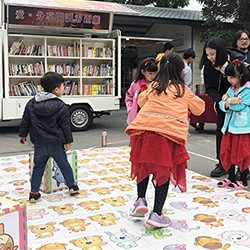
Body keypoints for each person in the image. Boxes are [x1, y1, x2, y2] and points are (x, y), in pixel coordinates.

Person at [125, 53, 205, 228]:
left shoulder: (154, 86)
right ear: (182, 71)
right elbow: (200, 108)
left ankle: (140, 200)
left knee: (143, 166)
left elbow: (141, 100)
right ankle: (157, 214)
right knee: (163, 173)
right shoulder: (183, 90)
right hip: (167, 135)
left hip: (144, 132)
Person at [19, 72, 79, 202]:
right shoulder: (61, 105)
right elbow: (65, 126)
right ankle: (72, 186)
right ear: (56, 89)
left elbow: (26, 120)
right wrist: (68, 141)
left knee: (38, 167)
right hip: (55, 143)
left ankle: (34, 193)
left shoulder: (32, 103)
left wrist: (22, 135)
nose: (64, 89)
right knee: (64, 164)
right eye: (63, 86)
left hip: (39, 143)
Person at [199, 37, 232, 178]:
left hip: (239, 105)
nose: (210, 57)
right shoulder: (208, 67)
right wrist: (220, 101)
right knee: (221, 134)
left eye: (212, 54)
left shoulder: (234, 61)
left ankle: (243, 167)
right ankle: (222, 163)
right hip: (222, 106)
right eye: (207, 54)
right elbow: (210, 88)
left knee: (240, 136)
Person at [217, 59, 250, 190]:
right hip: (229, 127)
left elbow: (242, 106)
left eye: (232, 77)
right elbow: (221, 105)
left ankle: (243, 180)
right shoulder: (231, 89)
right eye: (228, 77)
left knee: (241, 153)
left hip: (242, 128)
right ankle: (231, 177)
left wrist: (227, 102)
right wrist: (229, 102)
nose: (229, 80)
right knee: (228, 151)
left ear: (241, 76)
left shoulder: (247, 89)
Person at [125, 57, 158, 124]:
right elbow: (128, 97)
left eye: (154, 73)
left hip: (153, 117)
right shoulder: (136, 84)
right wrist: (130, 109)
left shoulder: (158, 85)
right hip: (138, 116)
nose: (152, 76)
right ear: (143, 72)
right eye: (150, 73)